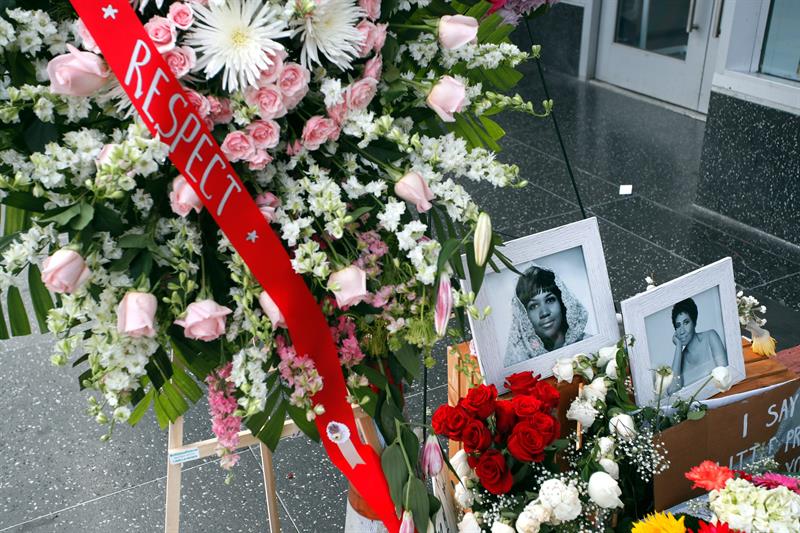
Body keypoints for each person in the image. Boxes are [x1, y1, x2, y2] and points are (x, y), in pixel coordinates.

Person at [504, 265, 588, 367]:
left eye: (550, 300)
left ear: (562, 302)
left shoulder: (588, 344)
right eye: (533, 306)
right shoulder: (520, 364)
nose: (544, 313)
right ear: (524, 316)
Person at [666, 298, 727, 393]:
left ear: (694, 322)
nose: (681, 331)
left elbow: (725, 373)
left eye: (686, 322)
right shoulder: (680, 359)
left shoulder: (710, 337)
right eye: (678, 326)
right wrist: (678, 347)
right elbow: (672, 391)